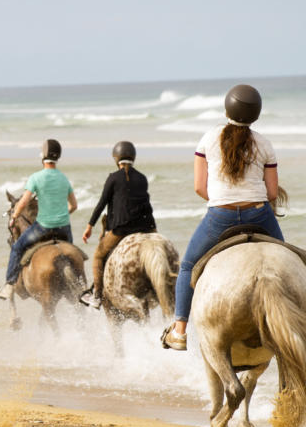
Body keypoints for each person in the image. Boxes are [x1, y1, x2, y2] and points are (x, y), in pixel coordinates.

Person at [161, 83, 284, 351]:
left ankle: (180, 331)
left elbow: (198, 187)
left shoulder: (208, 139)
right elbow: (272, 192)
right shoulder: (264, 143)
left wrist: (222, 201)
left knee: (187, 267)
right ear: (256, 113)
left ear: (228, 108)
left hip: (220, 217)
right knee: (294, 261)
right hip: (260, 214)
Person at [0, 139, 77, 300]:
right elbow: (73, 205)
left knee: (17, 248)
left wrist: (14, 217)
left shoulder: (36, 177)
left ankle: (9, 286)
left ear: (43, 157)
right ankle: (82, 290)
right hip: (64, 229)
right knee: (72, 255)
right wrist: (62, 215)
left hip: (44, 227)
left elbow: (23, 202)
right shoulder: (64, 178)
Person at [79, 141, 157, 308]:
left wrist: (90, 226)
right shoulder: (142, 178)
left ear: (116, 159)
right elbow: (145, 204)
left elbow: (102, 203)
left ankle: (97, 295)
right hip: (145, 227)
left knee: (98, 256)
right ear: (133, 157)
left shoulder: (113, 178)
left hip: (122, 229)